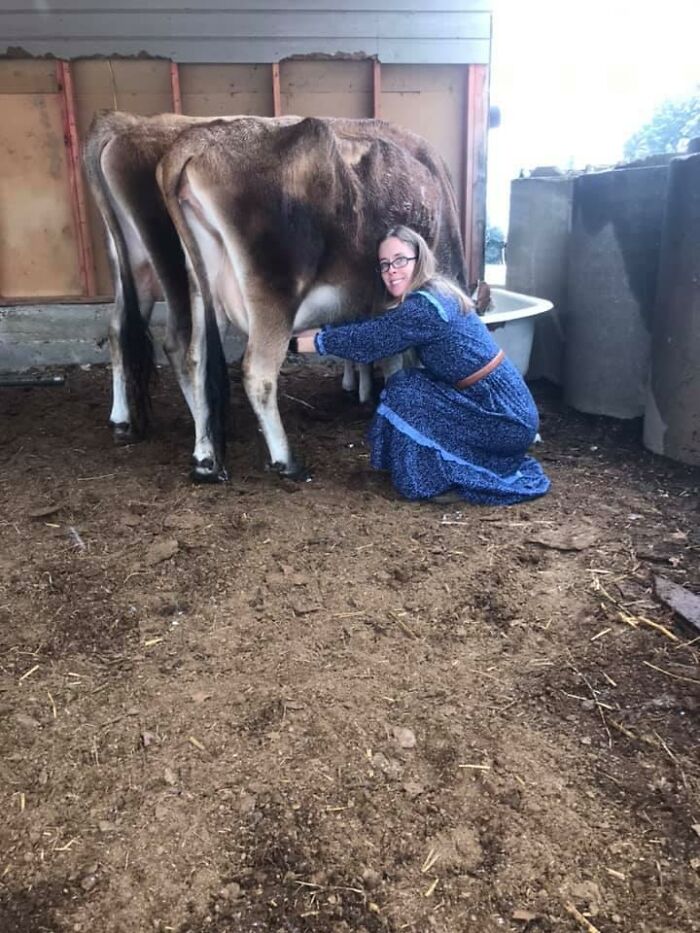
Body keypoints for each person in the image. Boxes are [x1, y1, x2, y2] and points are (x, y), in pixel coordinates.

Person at [313, 225, 550, 505]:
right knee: (410, 383)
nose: (391, 271)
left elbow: (371, 339)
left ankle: (431, 481)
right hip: (499, 403)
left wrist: (308, 342)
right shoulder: (436, 290)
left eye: (400, 260)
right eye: (384, 264)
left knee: (405, 394)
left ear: (419, 259)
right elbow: (378, 326)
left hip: (503, 416)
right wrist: (325, 330)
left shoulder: (425, 308)